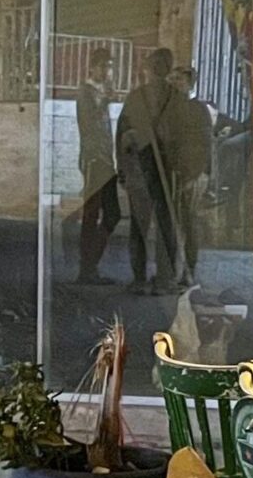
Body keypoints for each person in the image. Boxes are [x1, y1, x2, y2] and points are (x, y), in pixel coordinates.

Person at [116, 48, 181, 295]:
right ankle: (163, 280)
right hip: (159, 171)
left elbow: (121, 137)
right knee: (164, 226)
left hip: (146, 170)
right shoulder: (175, 98)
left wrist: (122, 167)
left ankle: (141, 279)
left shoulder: (136, 98)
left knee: (141, 226)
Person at [160, 64, 212, 288]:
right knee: (175, 224)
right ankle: (176, 271)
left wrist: (200, 173)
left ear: (189, 83)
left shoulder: (197, 109)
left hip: (192, 173)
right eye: (173, 81)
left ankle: (188, 270)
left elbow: (206, 143)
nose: (175, 84)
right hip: (174, 172)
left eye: (179, 81)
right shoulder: (170, 108)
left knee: (188, 222)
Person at [73, 48, 121, 284]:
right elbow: (88, 124)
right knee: (92, 214)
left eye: (110, 66)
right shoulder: (86, 92)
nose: (107, 71)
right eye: (103, 66)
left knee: (111, 214)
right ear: (92, 67)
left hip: (105, 159)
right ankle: (87, 268)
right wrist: (104, 101)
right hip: (94, 159)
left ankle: (90, 264)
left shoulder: (101, 92)